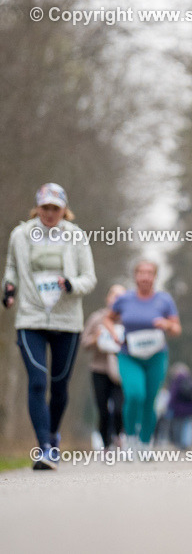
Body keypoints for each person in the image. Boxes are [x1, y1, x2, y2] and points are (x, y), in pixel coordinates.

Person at [3, 183, 97, 470]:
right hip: (31, 317)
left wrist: (71, 284)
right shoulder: (20, 235)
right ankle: (44, 446)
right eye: (45, 207)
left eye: (55, 208)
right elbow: (12, 267)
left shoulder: (76, 236)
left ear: (64, 210)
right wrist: (9, 287)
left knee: (59, 386)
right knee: (37, 382)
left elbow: (89, 278)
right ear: (37, 208)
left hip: (67, 321)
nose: (50, 213)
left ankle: (54, 435)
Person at [103, 259, 180, 450]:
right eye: (141, 273)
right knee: (135, 394)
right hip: (130, 355)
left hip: (156, 356)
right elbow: (107, 319)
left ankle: (145, 443)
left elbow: (176, 328)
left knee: (149, 400)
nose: (145, 277)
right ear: (135, 276)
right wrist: (113, 333)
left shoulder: (164, 300)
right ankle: (130, 438)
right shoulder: (125, 299)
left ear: (155, 277)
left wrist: (167, 324)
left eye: (149, 273)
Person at [81, 284, 127, 450]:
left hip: (122, 370)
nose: (117, 300)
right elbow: (84, 342)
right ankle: (106, 443)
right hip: (99, 368)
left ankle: (119, 434)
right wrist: (96, 339)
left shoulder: (127, 319)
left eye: (121, 297)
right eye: (114, 296)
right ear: (108, 298)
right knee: (102, 408)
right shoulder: (97, 318)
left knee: (119, 407)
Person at [166, 362, 192, 449]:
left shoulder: (176, 381)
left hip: (178, 408)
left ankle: (179, 444)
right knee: (188, 426)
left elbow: (173, 395)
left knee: (178, 426)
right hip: (190, 408)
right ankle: (187, 443)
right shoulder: (191, 380)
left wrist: (169, 406)